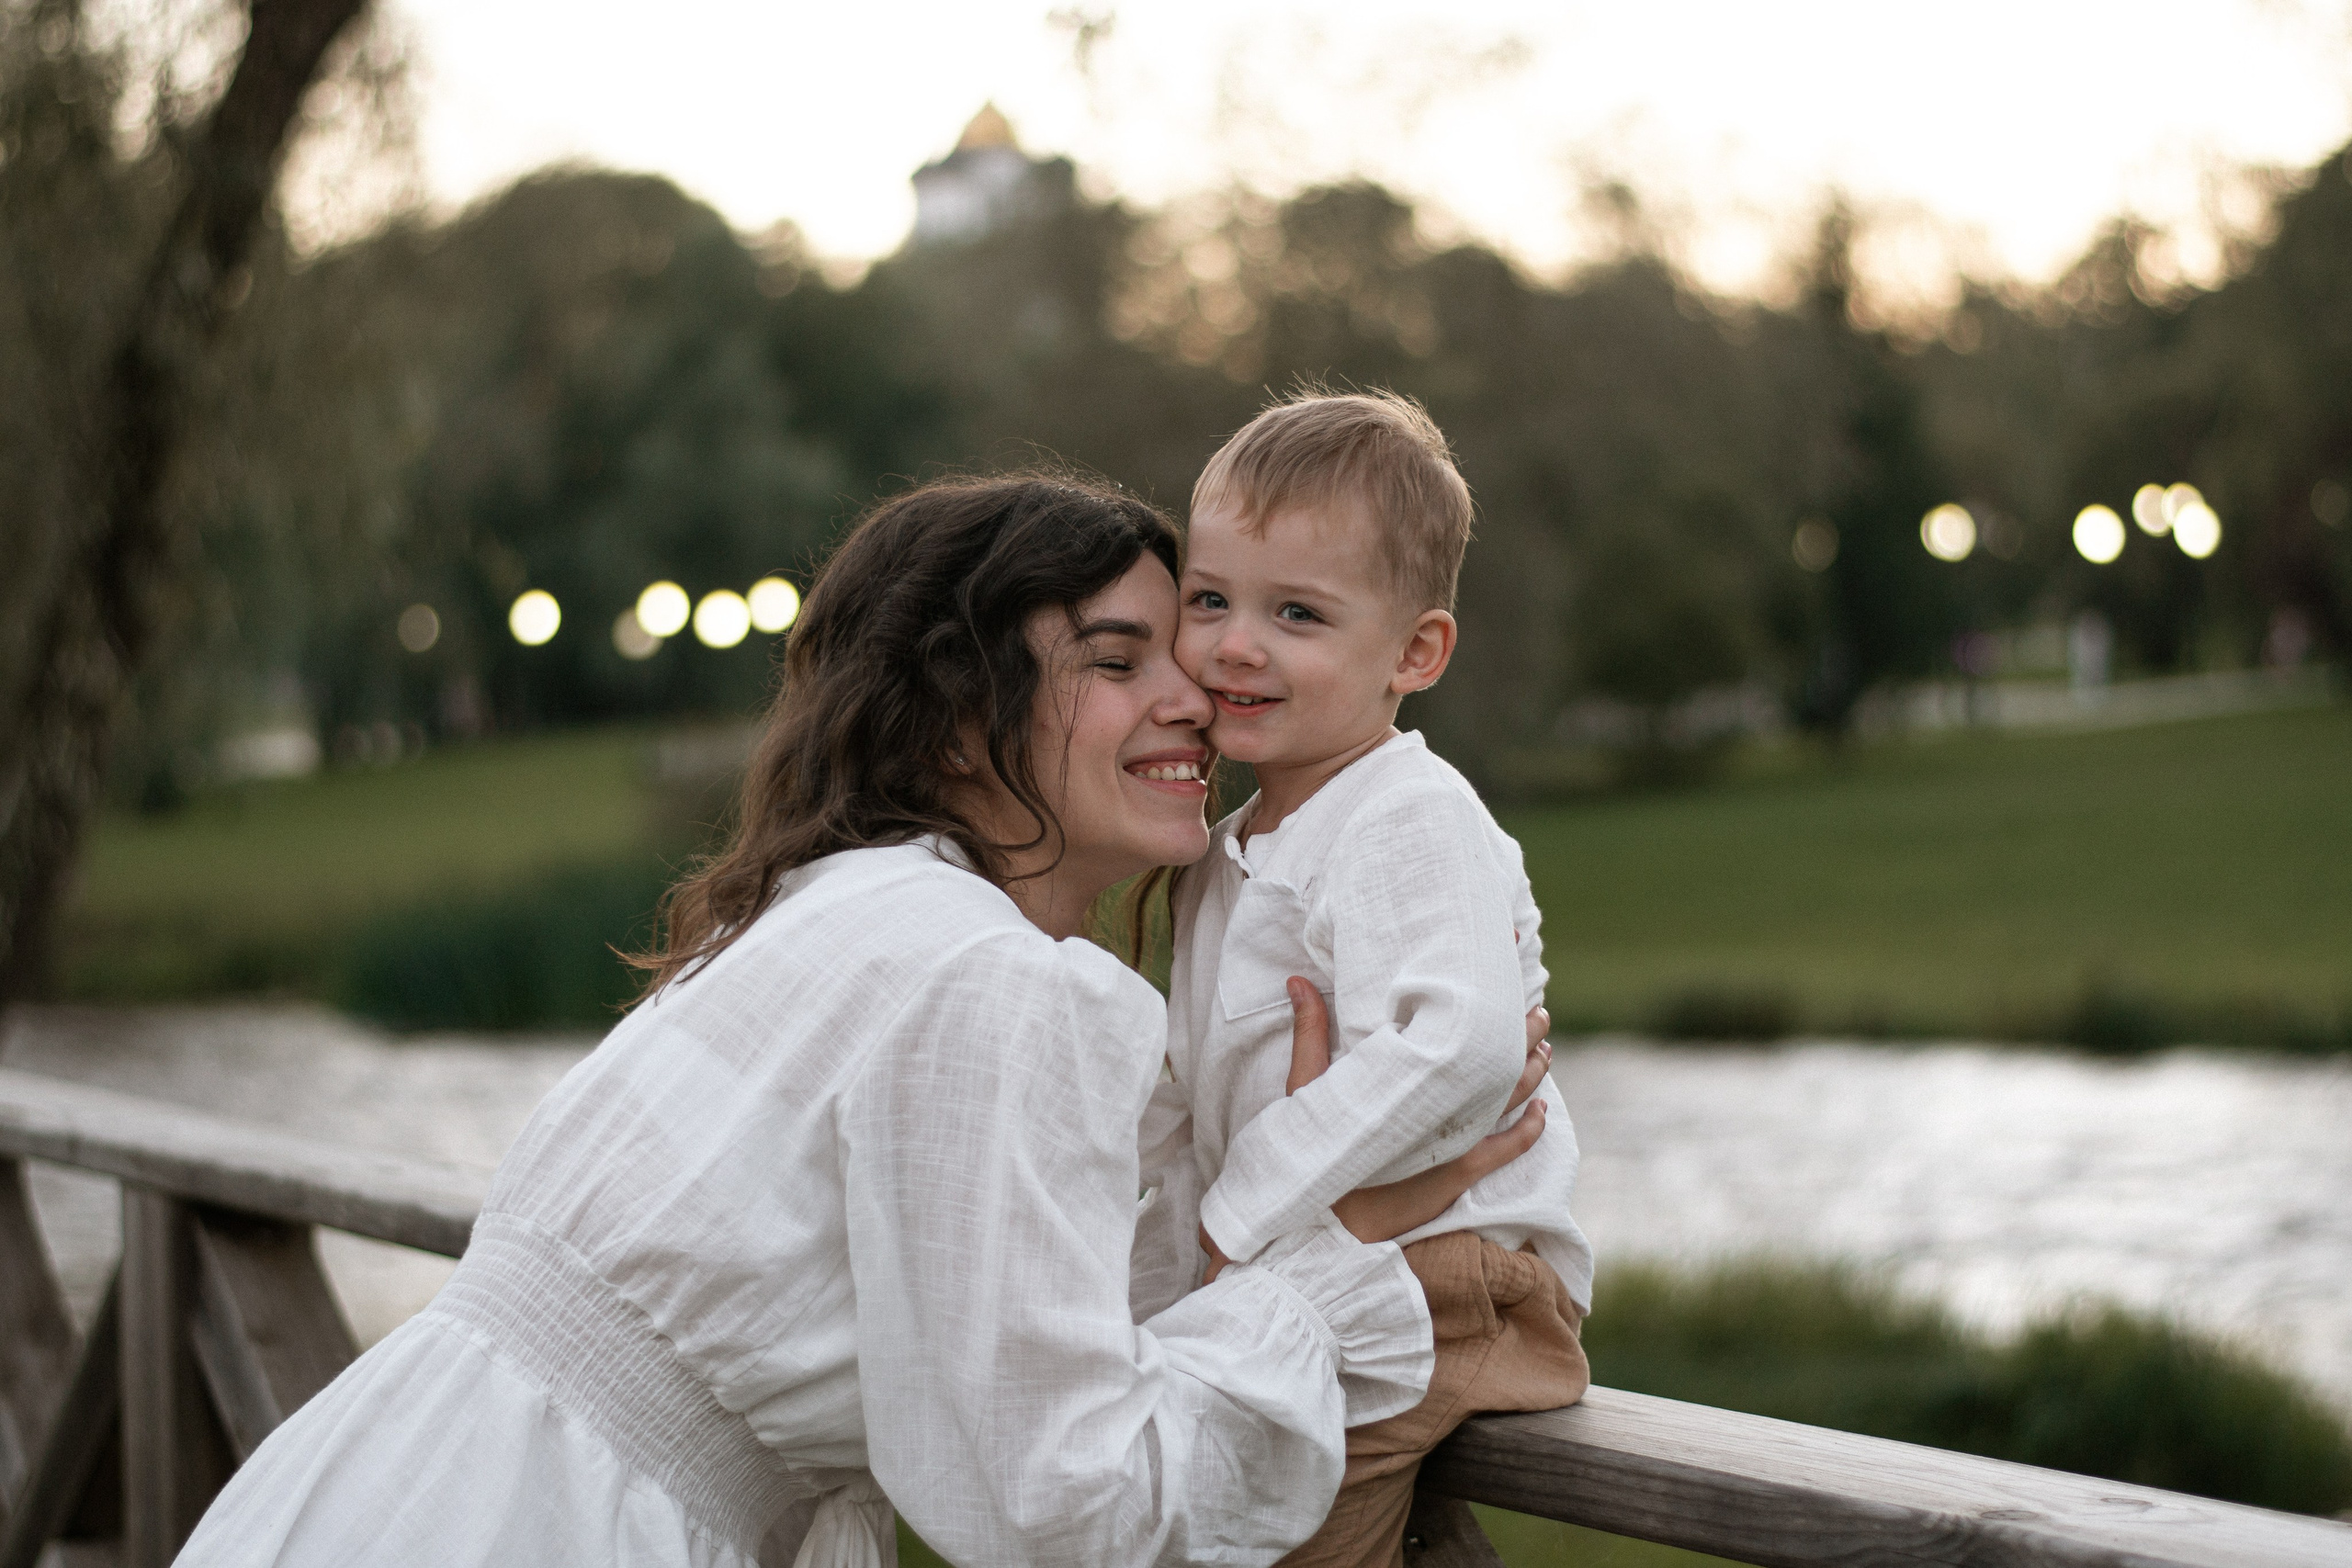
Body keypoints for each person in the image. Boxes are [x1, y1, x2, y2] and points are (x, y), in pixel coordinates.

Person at [174, 474, 1548, 1568]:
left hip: (401, 1483)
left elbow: (1028, 1325)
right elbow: (1059, 1506)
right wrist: (1322, 1259)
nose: (1198, 692)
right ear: (961, 718)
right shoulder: (988, 979)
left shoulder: (850, 907)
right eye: (1119, 660)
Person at [1160, 391, 1593, 1568]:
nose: (1234, 643)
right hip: (1329, 1264)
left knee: (1277, 1524)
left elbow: (1459, 1046)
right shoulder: (1229, 847)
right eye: (1210, 600)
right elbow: (1198, 1089)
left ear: (1416, 651)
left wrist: (1241, 1214)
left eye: (1296, 613)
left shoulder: (1405, 814)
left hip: (1457, 1277)